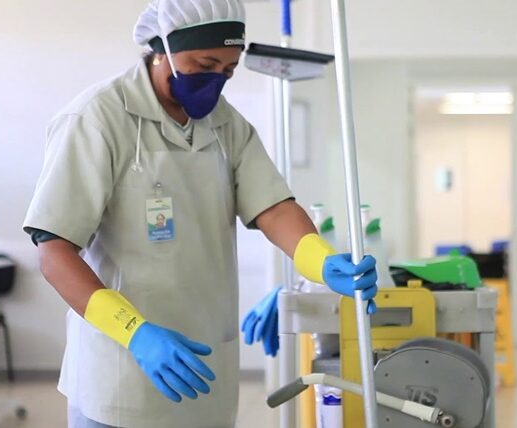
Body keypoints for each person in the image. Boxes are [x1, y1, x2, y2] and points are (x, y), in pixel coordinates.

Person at [22, 1, 377, 427]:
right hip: (121, 374)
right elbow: (55, 252)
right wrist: (135, 332)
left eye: (228, 69)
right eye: (206, 63)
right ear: (163, 49)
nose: (217, 79)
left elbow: (275, 209)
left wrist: (321, 260)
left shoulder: (228, 126)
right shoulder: (97, 119)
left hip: (205, 374)